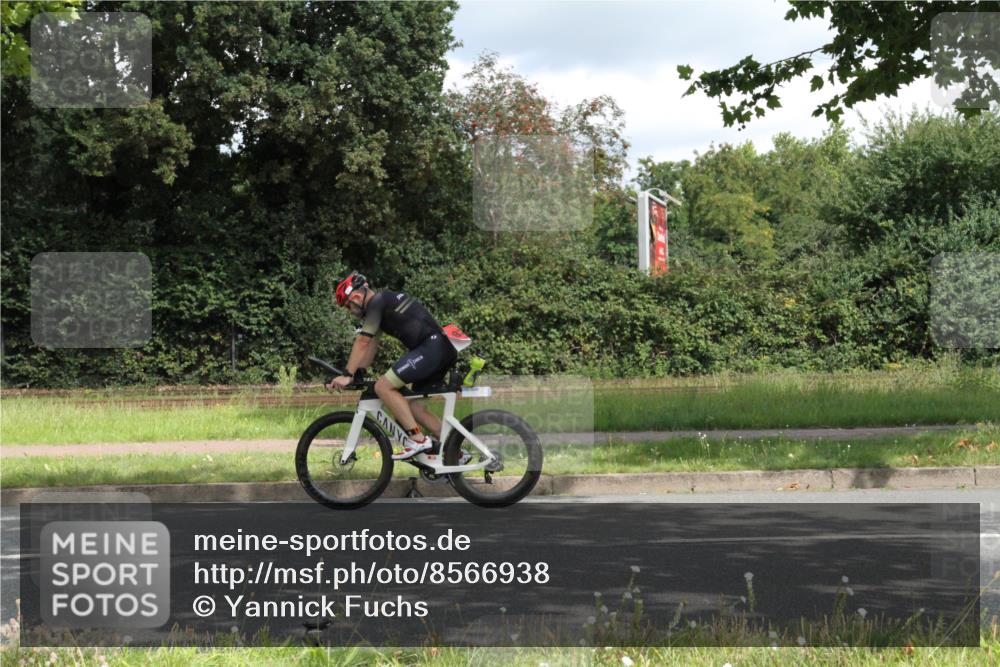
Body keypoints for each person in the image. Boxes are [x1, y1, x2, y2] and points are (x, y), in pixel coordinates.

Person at [329, 271, 457, 460]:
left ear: (356, 296)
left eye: (348, 305)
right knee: (416, 409)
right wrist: (358, 373)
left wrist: (347, 374)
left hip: (431, 348)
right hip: (440, 348)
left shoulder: (376, 302)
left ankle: (418, 440)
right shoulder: (383, 303)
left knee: (383, 387)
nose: (350, 311)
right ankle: (457, 453)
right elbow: (370, 347)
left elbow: (362, 341)